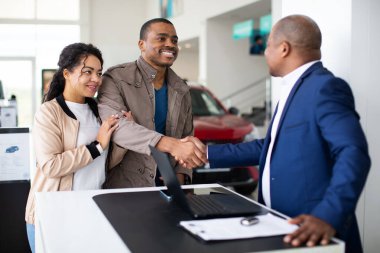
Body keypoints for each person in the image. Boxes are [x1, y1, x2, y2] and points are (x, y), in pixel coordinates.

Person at [195, 15, 370, 252]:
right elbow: (269, 147)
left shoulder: (324, 87)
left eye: (267, 46)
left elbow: (353, 151)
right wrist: (206, 153)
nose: (266, 53)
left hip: (313, 231)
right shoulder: (293, 88)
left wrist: (328, 216)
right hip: (280, 224)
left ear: (284, 49)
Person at [24, 43, 122, 253]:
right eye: (87, 72)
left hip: (90, 212)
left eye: (98, 73)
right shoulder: (49, 112)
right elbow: (51, 165)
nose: (96, 79)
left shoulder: (99, 111)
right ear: (67, 73)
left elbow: (103, 163)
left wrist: (121, 136)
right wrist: (97, 146)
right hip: (53, 215)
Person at [97, 18, 206, 188]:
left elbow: (186, 136)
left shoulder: (181, 88)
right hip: (125, 187)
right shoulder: (116, 78)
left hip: (167, 186)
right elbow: (116, 126)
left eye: (174, 40)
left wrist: (181, 185)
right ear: (141, 44)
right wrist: (172, 145)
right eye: (161, 38)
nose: (170, 44)